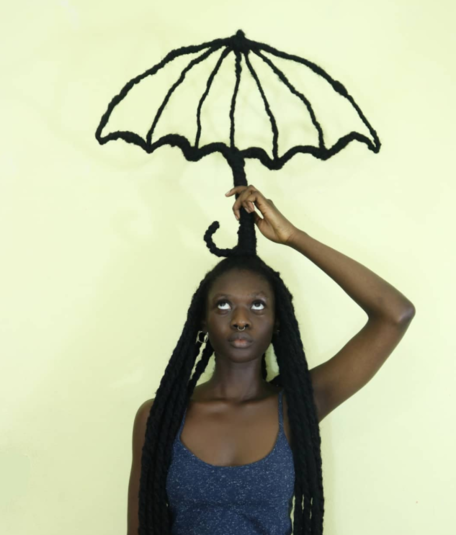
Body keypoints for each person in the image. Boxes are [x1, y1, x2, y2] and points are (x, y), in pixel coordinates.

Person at [126, 185, 416, 535]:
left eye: (258, 305)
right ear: (202, 320)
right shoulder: (157, 418)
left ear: (278, 321)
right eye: (223, 305)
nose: (240, 319)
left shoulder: (297, 407)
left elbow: (395, 314)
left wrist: (294, 237)